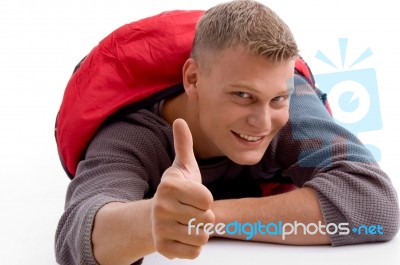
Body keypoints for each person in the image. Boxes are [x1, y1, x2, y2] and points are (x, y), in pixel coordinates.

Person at [55, 1, 399, 264]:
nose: (263, 123)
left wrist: (204, 219)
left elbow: (376, 209)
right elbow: (77, 236)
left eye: (278, 98)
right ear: (193, 79)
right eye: (242, 96)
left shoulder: (292, 107)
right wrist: (149, 221)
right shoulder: (132, 133)